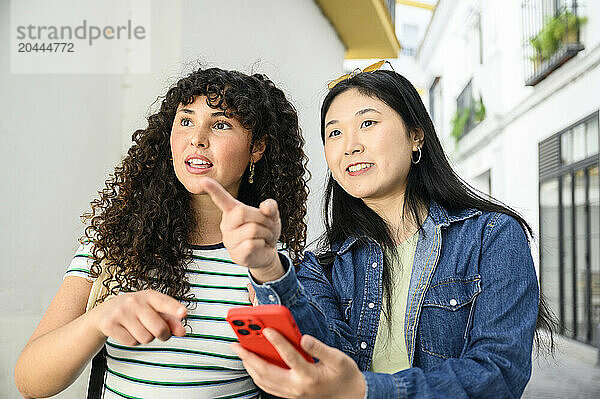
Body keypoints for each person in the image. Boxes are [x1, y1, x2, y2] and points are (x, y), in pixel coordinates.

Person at [199, 67, 557, 398]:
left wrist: (364, 389)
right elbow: (319, 361)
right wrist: (268, 268)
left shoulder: (492, 237)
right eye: (334, 132)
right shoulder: (321, 264)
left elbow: (499, 374)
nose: (349, 145)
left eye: (367, 123)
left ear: (415, 135)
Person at [14, 66, 308, 399]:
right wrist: (99, 319)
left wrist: (270, 279)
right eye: (186, 121)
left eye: (221, 124)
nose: (197, 138)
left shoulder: (274, 264)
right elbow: (30, 381)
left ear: (257, 147)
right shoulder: (114, 243)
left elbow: (303, 381)